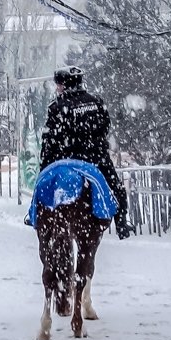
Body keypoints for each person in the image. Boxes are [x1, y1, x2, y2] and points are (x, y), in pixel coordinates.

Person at [39, 65, 135, 239]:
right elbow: (105, 127)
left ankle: (35, 217)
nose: (57, 88)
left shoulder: (56, 106)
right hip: (97, 160)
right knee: (117, 189)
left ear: (63, 84)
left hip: (68, 161)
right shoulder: (96, 101)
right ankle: (122, 223)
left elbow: (50, 142)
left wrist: (44, 167)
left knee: (43, 188)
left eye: (58, 84)